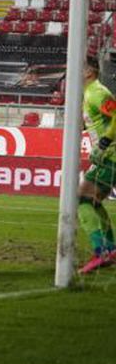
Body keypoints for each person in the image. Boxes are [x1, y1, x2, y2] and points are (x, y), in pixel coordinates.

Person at [79, 56, 116, 274]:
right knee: (92, 201)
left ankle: (102, 251)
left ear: (89, 71)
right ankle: (110, 249)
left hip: (110, 156)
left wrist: (104, 142)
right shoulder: (89, 93)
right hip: (107, 156)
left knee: (82, 200)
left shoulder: (98, 93)